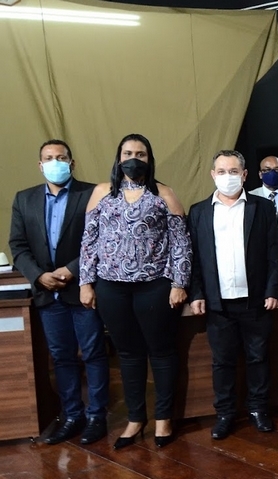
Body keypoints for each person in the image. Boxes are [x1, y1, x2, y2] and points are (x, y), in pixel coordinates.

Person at [79, 133, 191, 450]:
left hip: (154, 286)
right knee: (128, 354)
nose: (133, 159)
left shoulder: (164, 194)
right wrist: (85, 282)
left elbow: (181, 243)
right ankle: (135, 418)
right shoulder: (101, 193)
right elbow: (88, 240)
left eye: (140, 154)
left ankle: (163, 418)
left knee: (162, 351)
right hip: (111, 287)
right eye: (128, 153)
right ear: (118, 158)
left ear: (149, 159)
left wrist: (179, 283)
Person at [9, 139, 110, 445]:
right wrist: (39, 276)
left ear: (72, 163)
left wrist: (71, 269)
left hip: (83, 289)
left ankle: (97, 417)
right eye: (49, 158)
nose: (56, 162)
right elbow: (18, 246)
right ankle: (72, 416)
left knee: (93, 354)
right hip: (46, 293)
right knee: (62, 358)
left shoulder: (91, 194)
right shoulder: (24, 199)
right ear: (40, 165)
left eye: (61, 157)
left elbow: (103, 239)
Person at [188, 150, 278, 440]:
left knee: (258, 357)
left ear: (244, 175)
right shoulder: (199, 212)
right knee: (222, 362)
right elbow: (194, 258)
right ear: (212, 175)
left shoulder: (262, 208)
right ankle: (225, 413)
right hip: (217, 303)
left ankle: (258, 409)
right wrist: (196, 293)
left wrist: (273, 289)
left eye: (233, 171)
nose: (227, 177)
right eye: (221, 171)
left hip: (255, 299)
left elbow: (273, 252)